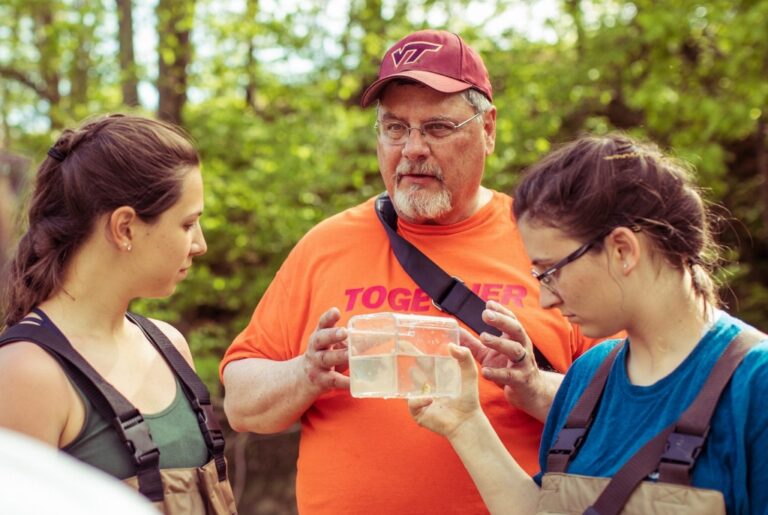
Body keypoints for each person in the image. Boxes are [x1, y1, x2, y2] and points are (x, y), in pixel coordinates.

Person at [221, 30, 602, 514]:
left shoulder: (547, 243)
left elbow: (625, 411)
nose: (413, 148)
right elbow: (240, 404)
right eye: (395, 128)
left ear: (488, 129)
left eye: (438, 128)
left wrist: (531, 385)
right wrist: (307, 372)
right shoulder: (326, 244)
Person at [408, 134, 768, 514]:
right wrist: (465, 424)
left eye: (552, 272)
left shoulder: (755, 385)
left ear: (623, 250)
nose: (546, 298)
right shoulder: (588, 376)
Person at [0, 114, 236, 514]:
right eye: (188, 224)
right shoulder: (26, 373)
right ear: (125, 227)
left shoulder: (169, 345)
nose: (200, 245)